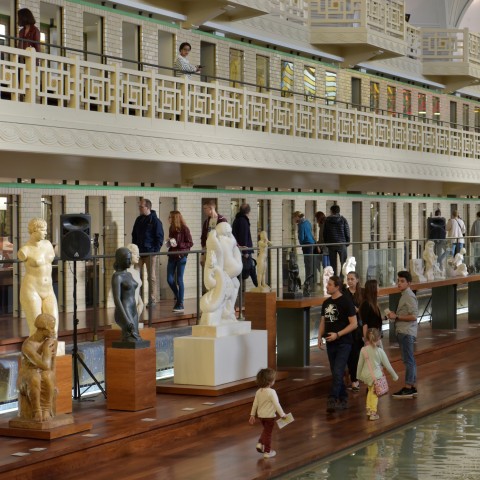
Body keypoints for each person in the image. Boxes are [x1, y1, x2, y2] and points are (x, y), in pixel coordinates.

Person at [318, 275, 357, 413]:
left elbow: (354, 324)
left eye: (329, 284)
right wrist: (319, 336)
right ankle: (343, 398)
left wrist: (338, 334)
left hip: (344, 342)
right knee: (335, 372)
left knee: (338, 370)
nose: (327, 286)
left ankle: (332, 398)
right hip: (331, 342)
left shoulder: (346, 302)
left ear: (337, 287)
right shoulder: (326, 303)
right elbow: (323, 321)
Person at [18, 218, 59, 336]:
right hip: (32, 290)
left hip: (48, 290)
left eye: (46, 230)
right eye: (43, 230)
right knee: (36, 330)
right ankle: (34, 348)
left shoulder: (48, 244)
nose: (46, 233)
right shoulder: (25, 250)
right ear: (34, 230)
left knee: (53, 328)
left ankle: (52, 349)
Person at [17, 313, 57, 422]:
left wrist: (53, 379)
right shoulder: (28, 345)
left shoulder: (52, 342)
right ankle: (37, 410)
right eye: (51, 328)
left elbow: (51, 366)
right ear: (42, 329)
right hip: (27, 374)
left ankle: (46, 409)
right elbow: (45, 365)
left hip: (42, 372)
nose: (54, 331)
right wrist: (46, 349)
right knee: (35, 377)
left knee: (48, 376)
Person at [387, 270, 419, 398]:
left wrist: (397, 316)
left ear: (409, 283)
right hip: (404, 331)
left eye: (402, 281)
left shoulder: (409, 296)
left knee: (408, 360)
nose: (399, 283)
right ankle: (411, 386)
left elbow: (414, 316)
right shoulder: (405, 295)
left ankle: (408, 387)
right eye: (398, 281)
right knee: (409, 360)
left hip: (406, 332)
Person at [357, 328, 398, 421]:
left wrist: (358, 376)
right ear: (379, 338)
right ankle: (373, 413)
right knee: (374, 394)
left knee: (370, 391)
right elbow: (387, 365)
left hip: (366, 376)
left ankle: (368, 409)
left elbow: (359, 364)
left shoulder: (363, 350)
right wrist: (394, 376)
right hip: (376, 376)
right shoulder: (380, 351)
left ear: (366, 338)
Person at [248, 368, 287, 459]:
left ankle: (260, 443)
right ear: (270, 381)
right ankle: (267, 452)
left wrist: (252, 415)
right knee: (268, 434)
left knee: (266, 431)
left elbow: (255, 404)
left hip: (261, 416)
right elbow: (277, 404)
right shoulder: (272, 392)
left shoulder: (258, 392)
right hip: (269, 417)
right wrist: (282, 414)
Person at [132, 198, 164, 305]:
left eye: (141, 207)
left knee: (151, 277)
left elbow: (159, 238)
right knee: (135, 275)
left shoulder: (155, 221)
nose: (139, 208)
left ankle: (152, 299)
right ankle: (136, 298)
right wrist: (135, 248)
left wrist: (154, 251)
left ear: (147, 207)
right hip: (139, 254)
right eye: (139, 206)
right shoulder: (138, 220)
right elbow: (134, 235)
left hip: (150, 254)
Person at [111, 247, 142, 343]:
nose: (129, 261)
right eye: (127, 259)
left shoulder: (129, 274)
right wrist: (125, 319)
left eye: (130, 259)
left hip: (133, 309)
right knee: (132, 337)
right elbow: (117, 299)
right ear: (120, 260)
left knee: (137, 337)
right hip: (125, 309)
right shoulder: (117, 277)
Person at [166, 211, 193, 313]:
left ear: (175, 218)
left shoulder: (185, 229)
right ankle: (179, 298)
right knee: (169, 279)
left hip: (181, 256)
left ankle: (180, 303)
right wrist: (169, 243)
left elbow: (190, 243)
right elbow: (172, 243)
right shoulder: (171, 228)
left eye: (170, 217)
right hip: (172, 256)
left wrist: (178, 244)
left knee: (179, 279)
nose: (168, 219)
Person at [343, 271, 363, 392]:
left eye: (352, 279)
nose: (350, 281)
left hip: (360, 328)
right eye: (348, 279)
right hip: (349, 328)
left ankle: (358, 378)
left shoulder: (362, 293)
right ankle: (354, 380)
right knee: (351, 355)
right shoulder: (344, 293)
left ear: (357, 280)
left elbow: (368, 307)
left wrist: (358, 310)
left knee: (359, 354)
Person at [232, 203, 258, 288]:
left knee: (247, 269)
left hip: (238, 249)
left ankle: (257, 285)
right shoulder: (243, 221)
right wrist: (245, 251)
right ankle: (258, 286)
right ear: (248, 211)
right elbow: (244, 236)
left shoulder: (237, 219)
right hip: (243, 250)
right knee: (251, 268)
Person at [323, 205, 350, 282]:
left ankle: (334, 280)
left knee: (333, 264)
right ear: (338, 211)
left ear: (331, 211)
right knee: (343, 263)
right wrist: (347, 242)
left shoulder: (327, 220)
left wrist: (326, 243)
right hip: (342, 243)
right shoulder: (343, 220)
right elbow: (347, 231)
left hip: (331, 244)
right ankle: (341, 279)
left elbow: (325, 233)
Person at [293, 211, 316, 287]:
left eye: (294, 218)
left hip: (306, 245)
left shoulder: (301, 224)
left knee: (307, 264)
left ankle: (308, 282)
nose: (294, 220)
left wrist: (301, 244)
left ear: (297, 217)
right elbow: (311, 233)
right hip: (312, 244)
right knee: (311, 263)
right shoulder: (307, 222)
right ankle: (311, 281)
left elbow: (301, 237)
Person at [200, 199, 227, 265]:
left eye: (205, 208)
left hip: (219, 251)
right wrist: (203, 254)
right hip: (209, 251)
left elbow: (227, 236)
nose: (204, 211)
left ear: (211, 208)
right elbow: (203, 237)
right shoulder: (206, 222)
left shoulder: (222, 220)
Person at [359, 279, 384, 347]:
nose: (379, 289)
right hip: (371, 337)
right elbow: (365, 324)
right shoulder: (366, 304)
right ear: (373, 289)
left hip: (376, 335)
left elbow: (373, 318)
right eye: (377, 287)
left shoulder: (373, 303)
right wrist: (366, 340)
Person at [126, 243, 144, 318]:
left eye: (138, 254)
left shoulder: (137, 272)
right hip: (127, 310)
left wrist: (141, 304)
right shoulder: (123, 273)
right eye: (136, 254)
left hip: (136, 309)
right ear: (129, 255)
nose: (138, 256)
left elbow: (136, 289)